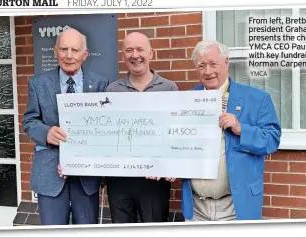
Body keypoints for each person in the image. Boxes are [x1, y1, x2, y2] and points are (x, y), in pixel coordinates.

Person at [181, 40, 282, 221]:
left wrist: (241, 129)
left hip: (236, 206)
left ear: (226, 63)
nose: (208, 71)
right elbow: (176, 143)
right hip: (196, 207)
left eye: (213, 64)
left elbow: (272, 140)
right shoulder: (187, 100)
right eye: (202, 65)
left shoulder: (257, 99)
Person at [22, 28, 109, 225]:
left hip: (86, 177)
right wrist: (46, 132)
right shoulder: (38, 84)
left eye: (75, 50)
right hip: (49, 175)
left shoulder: (100, 84)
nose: (69, 56)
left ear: (85, 54)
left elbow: (106, 128)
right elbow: (29, 121)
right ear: (55, 51)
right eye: (64, 49)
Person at [104, 32, 178, 223]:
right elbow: (105, 135)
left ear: (151, 53)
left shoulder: (169, 88)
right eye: (129, 50)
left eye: (140, 49)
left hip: (154, 180)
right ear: (123, 56)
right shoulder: (112, 90)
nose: (135, 55)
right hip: (120, 179)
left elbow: (176, 133)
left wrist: (172, 165)